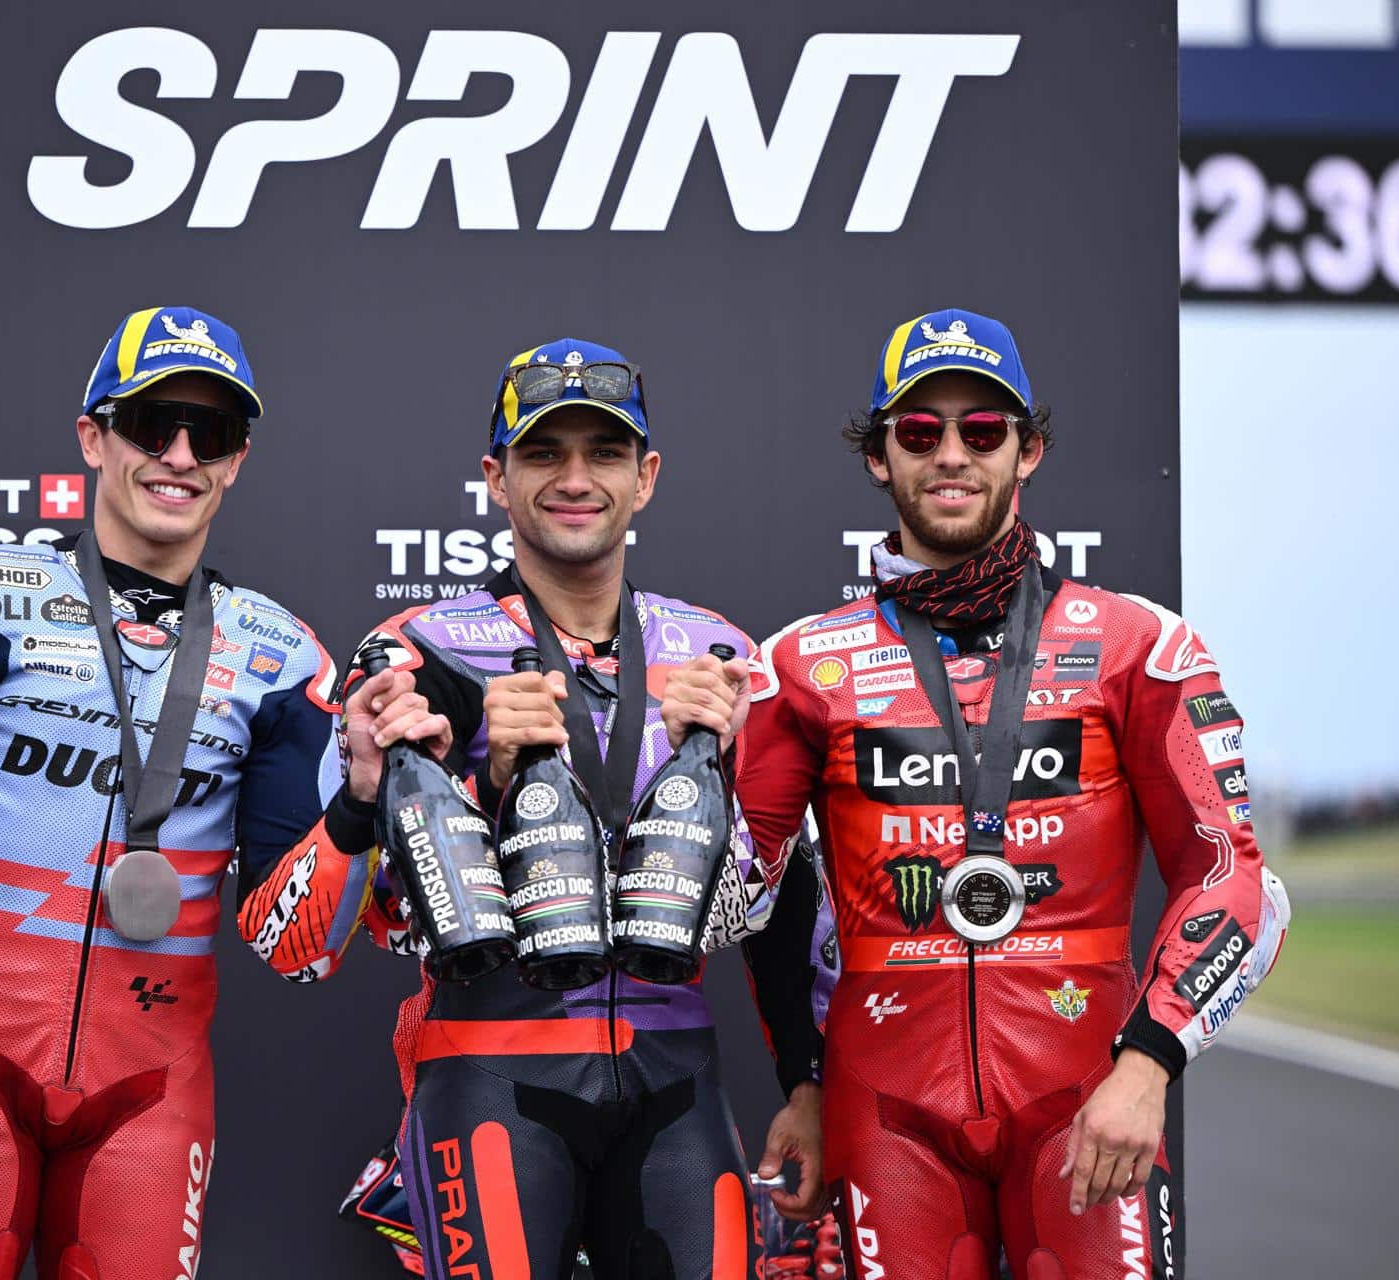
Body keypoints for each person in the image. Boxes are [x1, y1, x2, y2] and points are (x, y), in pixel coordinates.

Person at [0, 305, 349, 1278]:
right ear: (93, 435)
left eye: (209, 432)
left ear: (238, 458)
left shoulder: (282, 659)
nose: (178, 453)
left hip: (152, 1096)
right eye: (150, 420)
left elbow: (297, 945)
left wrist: (363, 805)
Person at [237, 338, 826, 1279]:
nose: (576, 478)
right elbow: (300, 945)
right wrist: (483, 790)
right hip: (493, 1079)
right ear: (496, 479)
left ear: (648, 477)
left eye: (606, 452)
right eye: (544, 453)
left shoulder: (716, 651)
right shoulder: (416, 652)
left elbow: (775, 905)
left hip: (679, 1085)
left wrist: (807, 1080)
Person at [736, 308, 1291, 1280]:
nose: (951, 454)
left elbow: (1233, 877)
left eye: (981, 430)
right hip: (884, 1108)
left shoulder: (1138, 646)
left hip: (1086, 1096)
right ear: (880, 458)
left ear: (1026, 449)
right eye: (920, 431)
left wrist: (1150, 1060)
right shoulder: (800, 663)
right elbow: (759, 895)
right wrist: (802, 1083)